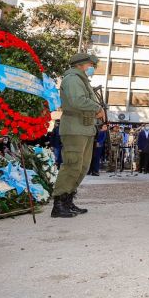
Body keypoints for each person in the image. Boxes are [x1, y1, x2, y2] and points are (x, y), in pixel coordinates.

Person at [52, 53, 103, 218]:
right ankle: (59, 204)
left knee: (81, 168)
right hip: (75, 128)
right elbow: (77, 101)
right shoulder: (73, 79)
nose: (92, 68)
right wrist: (97, 108)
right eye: (90, 65)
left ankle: (68, 200)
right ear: (81, 64)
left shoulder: (81, 80)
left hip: (85, 128)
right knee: (72, 165)